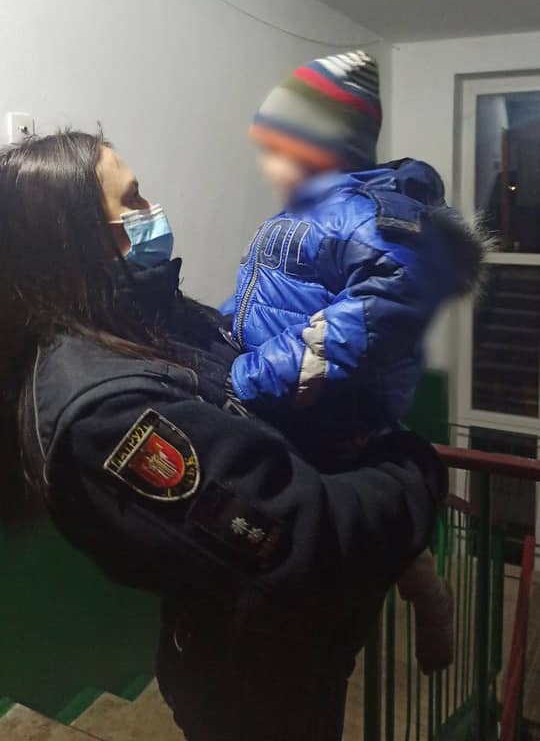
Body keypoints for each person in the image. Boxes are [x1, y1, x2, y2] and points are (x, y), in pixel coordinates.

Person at [0, 130, 447, 741]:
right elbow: (309, 536)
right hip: (252, 683)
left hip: (298, 644)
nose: (153, 211)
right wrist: (416, 466)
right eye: (132, 200)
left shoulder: (152, 317)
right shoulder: (105, 412)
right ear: (78, 236)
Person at [224, 49, 485, 673]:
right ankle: (411, 579)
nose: (267, 164)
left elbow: (380, 309)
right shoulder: (302, 214)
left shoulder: (372, 215)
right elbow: (260, 297)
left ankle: (424, 592)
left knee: (337, 533)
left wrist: (250, 374)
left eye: (279, 148)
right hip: (286, 406)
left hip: (329, 414)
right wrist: (222, 335)